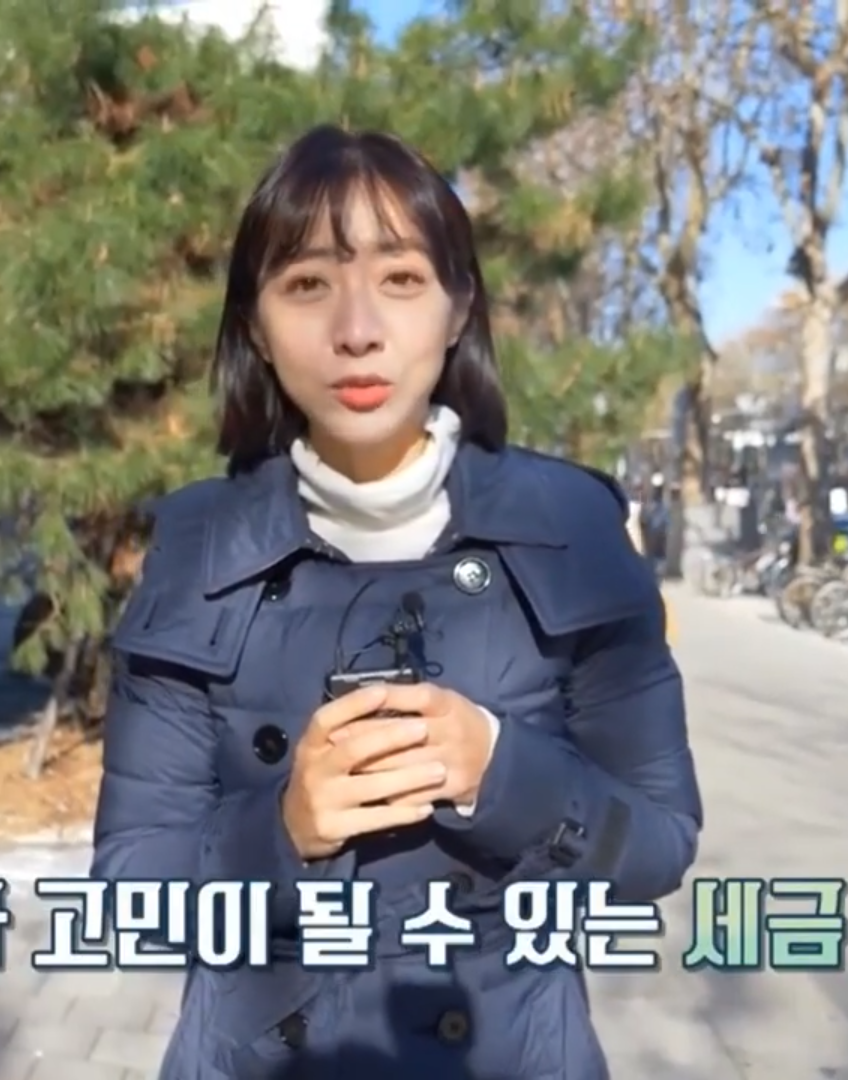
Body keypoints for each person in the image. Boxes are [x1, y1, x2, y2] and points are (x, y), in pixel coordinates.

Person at [91, 125, 701, 1079]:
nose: (357, 329)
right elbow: (132, 893)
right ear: (254, 325)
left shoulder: (573, 527)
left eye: (402, 278)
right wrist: (282, 830)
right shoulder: (198, 544)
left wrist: (499, 770)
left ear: (458, 308)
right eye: (307, 284)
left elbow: (657, 847)